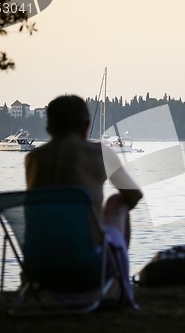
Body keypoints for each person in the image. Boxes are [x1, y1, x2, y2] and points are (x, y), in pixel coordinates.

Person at [25, 95, 142, 305]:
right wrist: (100, 216)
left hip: (39, 267)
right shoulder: (100, 153)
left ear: (49, 128)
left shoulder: (33, 158)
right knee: (118, 200)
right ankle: (115, 285)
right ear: (86, 126)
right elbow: (134, 195)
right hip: (87, 267)